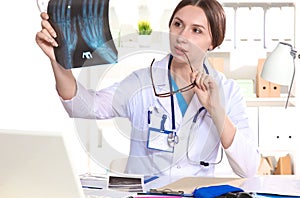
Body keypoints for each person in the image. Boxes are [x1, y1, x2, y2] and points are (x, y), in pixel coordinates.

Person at [36, 0, 260, 177]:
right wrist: (58, 60)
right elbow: (82, 107)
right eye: (178, 24)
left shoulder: (228, 92)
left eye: (197, 30)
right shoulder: (142, 83)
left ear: (213, 42)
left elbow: (248, 168)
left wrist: (216, 110)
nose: (182, 37)